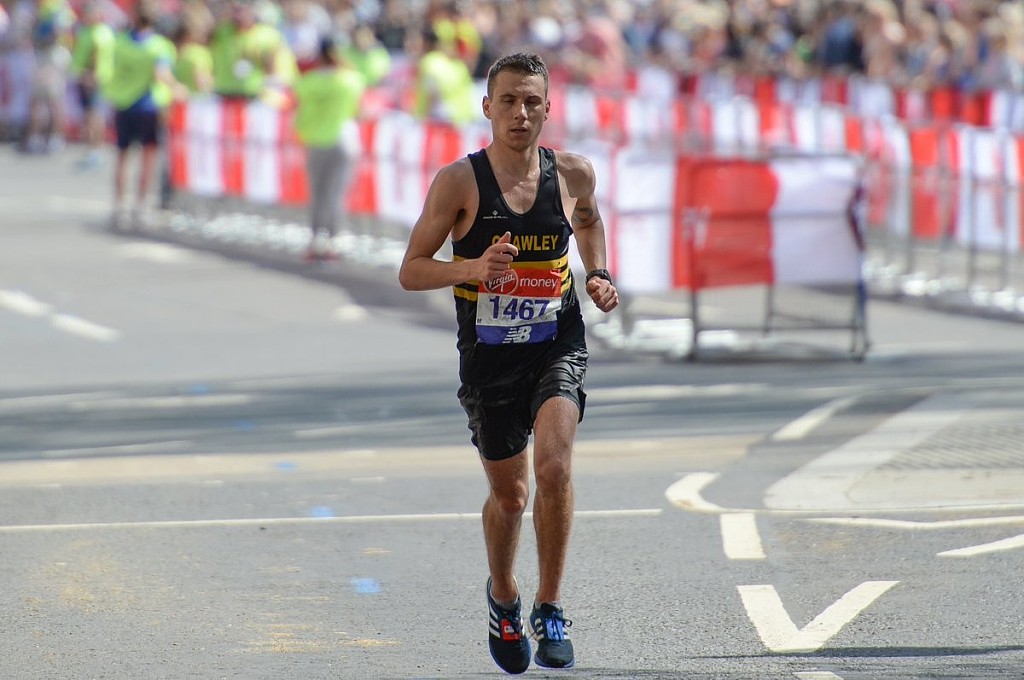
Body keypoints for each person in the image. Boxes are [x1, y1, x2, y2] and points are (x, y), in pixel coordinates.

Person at [398, 52, 618, 674]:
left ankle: (550, 605)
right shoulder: (459, 182)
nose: (521, 113)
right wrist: (472, 268)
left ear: (548, 109)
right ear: (487, 107)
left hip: (556, 341)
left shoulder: (572, 172)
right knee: (512, 495)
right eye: (509, 101)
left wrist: (598, 273)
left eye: (532, 102)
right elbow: (411, 270)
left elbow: (589, 223)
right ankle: (503, 595)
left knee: (554, 467)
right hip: (489, 356)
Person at [103, 0, 180, 228]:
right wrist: (179, 88)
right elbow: (162, 73)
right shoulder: (159, 46)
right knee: (148, 157)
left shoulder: (120, 43)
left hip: (124, 104)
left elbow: (110, 72)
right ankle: (140, 206)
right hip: (148, 106)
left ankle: (119, 206)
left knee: (123, 156)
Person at [292, 36, 365, 262]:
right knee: (336, 194)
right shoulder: (351, 80)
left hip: (317, 140)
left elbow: (299, 108)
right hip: (344, 139)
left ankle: (317, 239)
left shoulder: (307, 82)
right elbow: (359, 109)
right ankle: (333, 240)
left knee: (318, 193)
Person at [69, 0, 114, 169]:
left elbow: (95, 58)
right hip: (85, 77)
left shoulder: (99, 33)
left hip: (93, 80)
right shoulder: (86, 30)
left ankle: (95, 150)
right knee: (90, 115)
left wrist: (91, 76)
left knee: (94, 115)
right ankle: (91, 149)